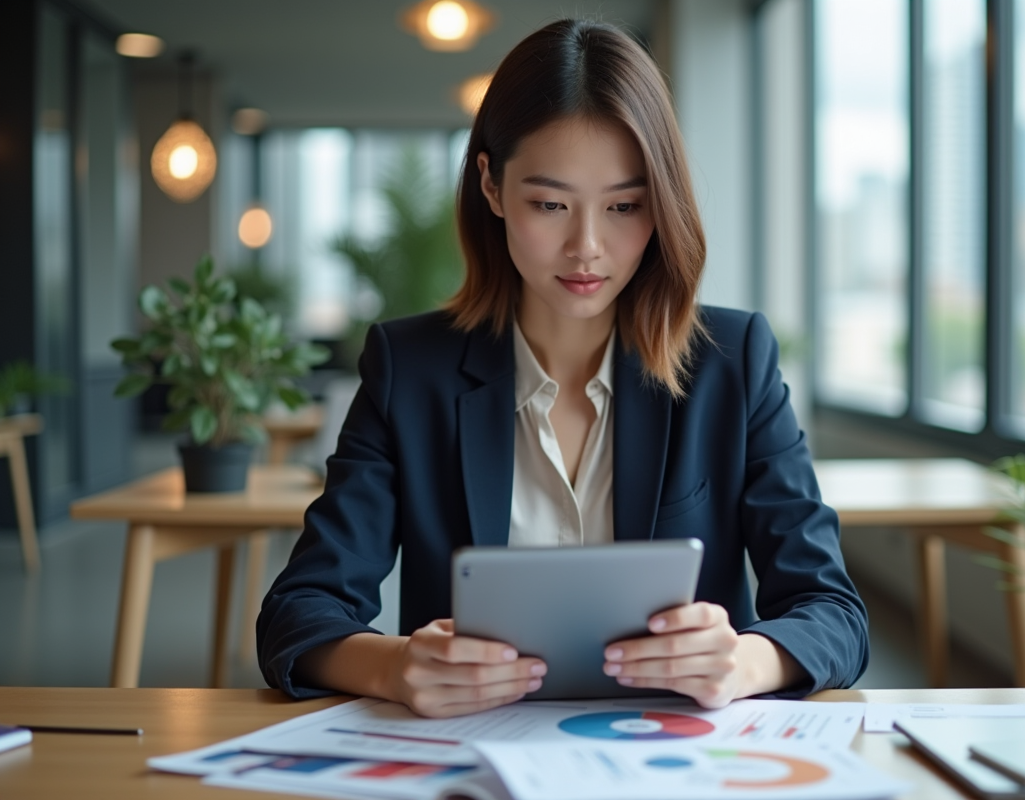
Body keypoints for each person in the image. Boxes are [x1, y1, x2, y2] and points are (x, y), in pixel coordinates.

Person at [258, 18, 868, 719]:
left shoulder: (732, 364)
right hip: (468, 758)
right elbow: (297, 614)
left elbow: (833, 613)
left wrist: (745, 660)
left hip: (676, 765)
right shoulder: (409, 370)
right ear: (490, 185)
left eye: (624, 207)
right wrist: (395, 666)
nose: (587, 247)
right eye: (549, 204)